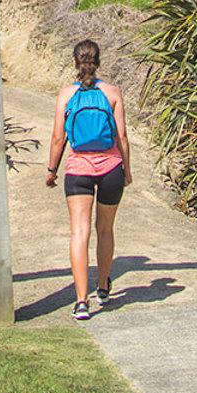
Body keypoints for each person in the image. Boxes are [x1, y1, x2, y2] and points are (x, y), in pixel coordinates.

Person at [46, 40, 132, 321]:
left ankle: (81, 301)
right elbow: (122, 137)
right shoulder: (112, 92)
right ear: (98, 62)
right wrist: (127, 170)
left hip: (78, 168)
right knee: (105, 229)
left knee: (79, 233)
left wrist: (51, 170)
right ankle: (104, 285)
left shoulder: (65, 94)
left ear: (74, 62)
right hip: (111, 169)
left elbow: (59, 137)